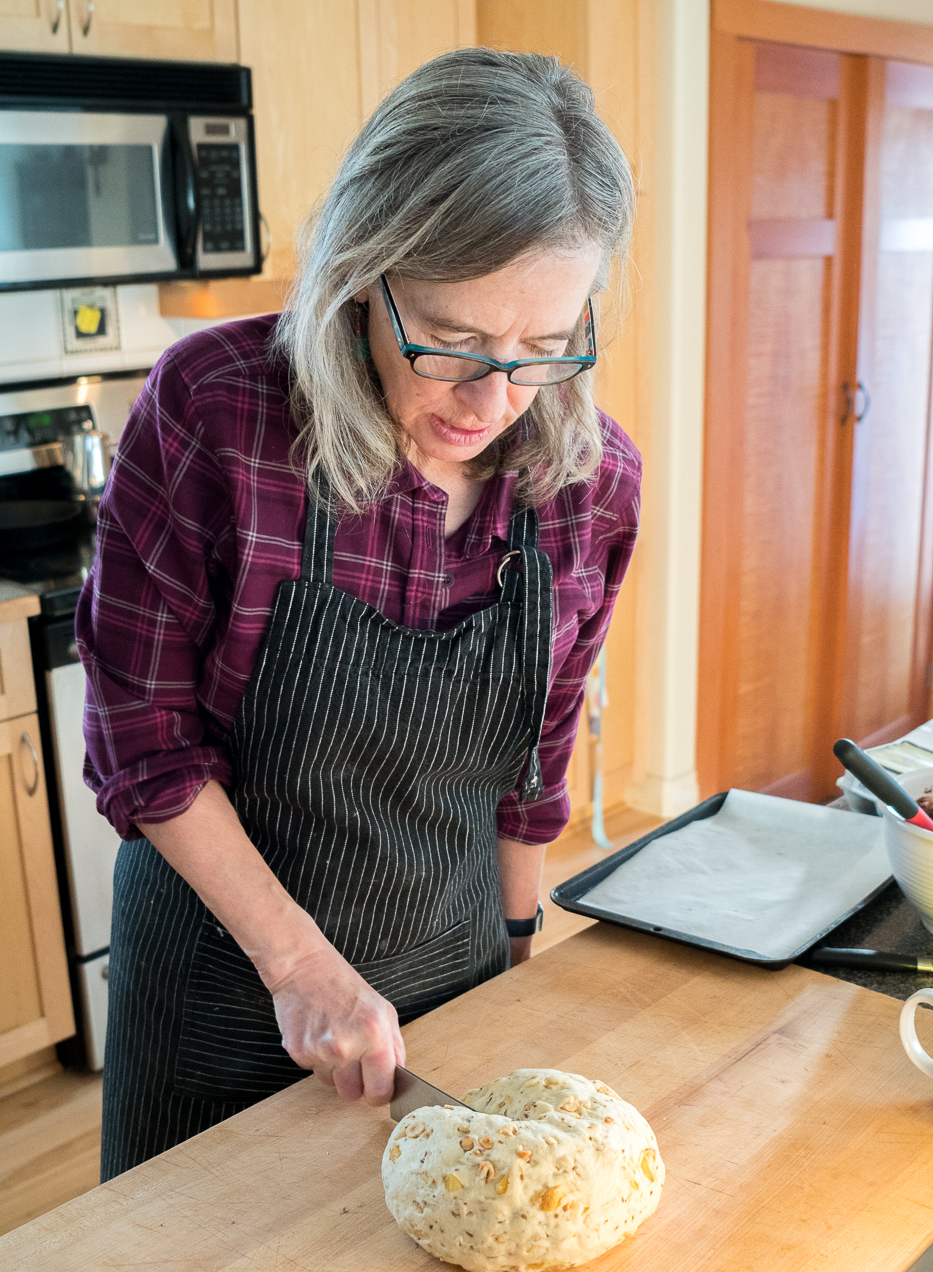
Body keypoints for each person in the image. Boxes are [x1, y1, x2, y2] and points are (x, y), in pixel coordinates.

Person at [78, 48, 641, 1181]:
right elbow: (143, 745)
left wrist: (523, 955)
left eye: (544, 348)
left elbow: (534, 762)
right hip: (219, 988)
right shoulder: (219, 413)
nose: (495, 404)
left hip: (453, 976)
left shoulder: (590, 480)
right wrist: (301, 968)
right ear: (359, 271)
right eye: (453, 339)